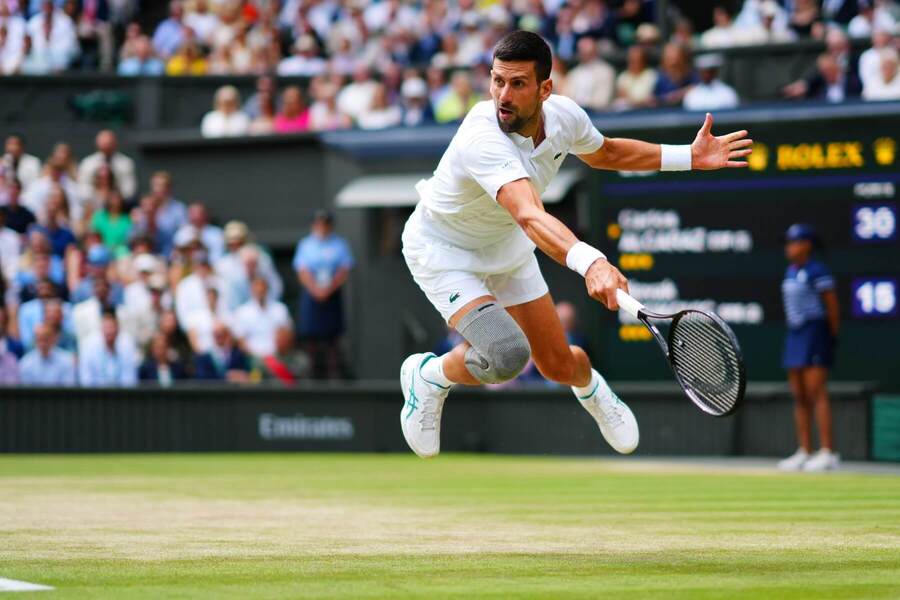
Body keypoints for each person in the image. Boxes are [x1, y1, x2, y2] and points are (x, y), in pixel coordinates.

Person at [398, 31, 752, 459]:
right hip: (444, 249)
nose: (502, 95)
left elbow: (607, 154)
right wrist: (593, 263)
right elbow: (530, 214)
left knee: (560, 365)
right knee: (507, 354)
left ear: (546, 88)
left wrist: (688, 157)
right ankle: (429, 376)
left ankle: (592, 389)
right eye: (496, 81)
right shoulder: (483, 138)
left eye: (518, 83)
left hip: (505, 245)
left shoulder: (564, 117)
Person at [778, 224, 840, 472]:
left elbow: (833, 307)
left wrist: (830, 336)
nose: (789, 247)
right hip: (795, 334)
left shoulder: (818, 271)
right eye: (788, 242)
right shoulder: (789, 272)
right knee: (800, 395)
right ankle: (805, 450)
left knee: (817, 393)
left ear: (807, 245)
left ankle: (828, 452)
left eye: (794, 242)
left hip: (815, 332)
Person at [293, 210, 354, 379]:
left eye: (325, 224)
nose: (322, 227)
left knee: (332, 339)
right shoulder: (306, 244)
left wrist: (328, 289)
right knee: (311, 338)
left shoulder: (339, 244)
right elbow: (302, 270)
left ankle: (334, 375)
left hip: (332, 294)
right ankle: (312, 375)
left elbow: (344, 269)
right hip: (312, 294)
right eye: (318, 224)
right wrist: (315, 289)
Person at [78, 309, 138, 387]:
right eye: (106, 327)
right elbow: (86, 380)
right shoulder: (88, 346)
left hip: (121, 396)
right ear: (101, 329)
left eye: (112, 327)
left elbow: (130, 381)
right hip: (94, 396)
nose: (109, 331)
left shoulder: (127, 345)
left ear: (118, 330)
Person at [77, 129, 137, 203]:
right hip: (92, 206)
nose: (106, 147)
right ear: (97, 144)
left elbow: (129, 191)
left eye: (109, 144)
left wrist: (113, 198)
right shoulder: (87, 163)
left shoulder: (126, 163)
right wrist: (99, 197)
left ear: (115, 144)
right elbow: (82, 189)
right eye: (103, 145)